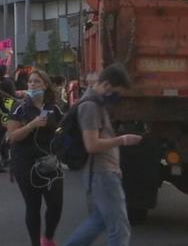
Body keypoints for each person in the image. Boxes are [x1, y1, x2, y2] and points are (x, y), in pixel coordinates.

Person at [63, 64, 141, 246]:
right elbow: (92, 145)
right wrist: (122, 140)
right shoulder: (90, 107)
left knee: (99, 221)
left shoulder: (96, 103)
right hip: (102, 173)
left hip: (99, 172)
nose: (117, 97)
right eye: (117, 92)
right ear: (106, 85)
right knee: (119, 229)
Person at [7, 69, 65, 246]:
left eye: (37, 82)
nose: (32, 85)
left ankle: (48, 238)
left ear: (45, 85)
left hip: (49, 162)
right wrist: (32, 125)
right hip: (25, 163)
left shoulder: (52, 107)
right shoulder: (20, 108)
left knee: (55, 205)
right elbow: (12, 136)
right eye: (30, 82)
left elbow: (62, 128)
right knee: (33, 207)